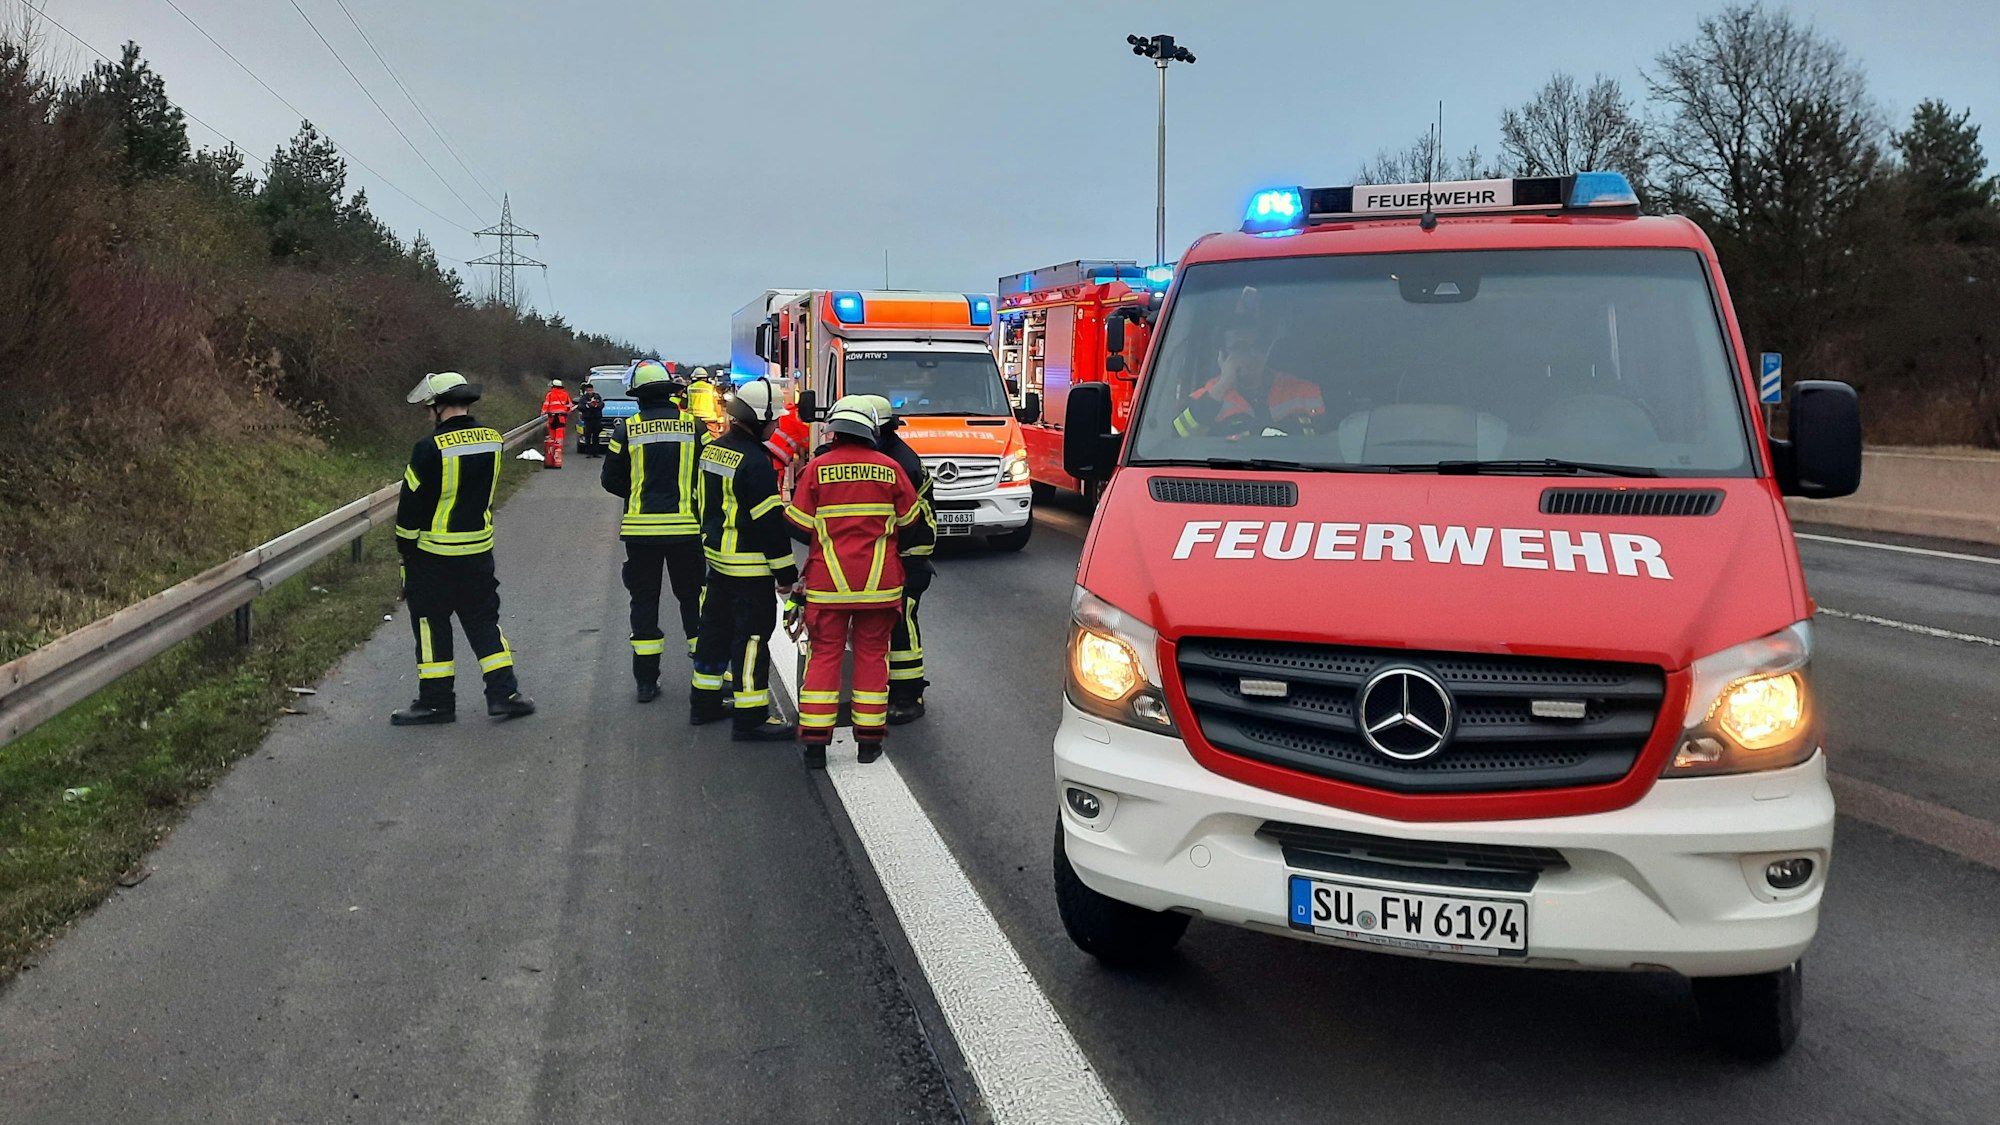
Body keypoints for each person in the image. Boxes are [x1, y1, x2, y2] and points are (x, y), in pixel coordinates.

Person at [784, 396, 929, 768]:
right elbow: (912, 523)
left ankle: (816, 746)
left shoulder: (816, 469)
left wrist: (827, 536)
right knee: (871, 659)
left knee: (824, 658)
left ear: (835, 431)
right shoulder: (891, 468)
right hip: (880, 587)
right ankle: (868, 744)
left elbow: (798, 526)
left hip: (828, 586)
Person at [391, 372, 536, 725]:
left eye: (430, 408)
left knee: (431, 625)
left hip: (433, 557)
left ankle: (437, 703)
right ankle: (504, 694)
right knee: (484, 622)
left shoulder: (429, 448)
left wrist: (405, 547)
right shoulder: (493, 439)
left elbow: (411, 506)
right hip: (477, 553)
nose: (429, 414)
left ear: (440, 407)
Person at [690, 377, 799, 741]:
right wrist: (786, 572)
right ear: (758, 418)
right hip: (749, 568)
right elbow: (770, 525)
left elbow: (698, 501)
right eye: (775, 419)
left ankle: (703, 702)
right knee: (752, 639)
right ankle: (750, 716)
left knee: (714, 631)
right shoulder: (756, 463)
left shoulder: (712, 450)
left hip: (718, 560)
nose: (778, 424)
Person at [600, 360, 704, 703]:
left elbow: (610, 479)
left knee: (644, 602)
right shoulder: (695, 428)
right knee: (693, 600)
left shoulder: (625, 430)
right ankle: (708, 675)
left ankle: (646, 682)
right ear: (671, 394)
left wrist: (637, 494)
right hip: (686, 530)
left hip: (641, 532)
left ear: (639, 397)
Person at [858, 394, 936, 724]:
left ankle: (909, 695)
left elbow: (904, 520)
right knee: (893, 623)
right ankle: (893, 687)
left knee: (902, 624)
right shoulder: (889, 455)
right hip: (901, 552)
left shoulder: (898, 464)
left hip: (909, 556)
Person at [1168, 287, 1324, 440]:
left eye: (1257, 347)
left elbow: (1330, 443)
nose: (1252, 355)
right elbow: (1177, 438)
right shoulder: (1206, 398)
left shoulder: (1302, 389)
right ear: (1223, 356)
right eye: (1240, 348)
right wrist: (1223, 385)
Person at [540, 378, 574, 467]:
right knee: (559, 437)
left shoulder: (550, 394)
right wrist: (564, 411)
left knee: (552, 437)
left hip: (551, 418)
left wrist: (543, 413)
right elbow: (569, 407)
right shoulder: (565, 394)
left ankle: (550, 455)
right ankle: (558, 457)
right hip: (561, 418)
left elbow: (546, 405)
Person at [576, 382, 605, 457]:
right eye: (588, 390)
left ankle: (596, 453)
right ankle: (588, 452)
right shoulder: (583, 398)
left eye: (591, 390)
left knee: (596, 436)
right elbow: (580, 407)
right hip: (588, 419)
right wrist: (587, 406)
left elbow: (602, 404)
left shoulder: (597, 396)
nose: (590, 392)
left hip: (596, 419)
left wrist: (596, 405)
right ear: (586, 390)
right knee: (587, 436)